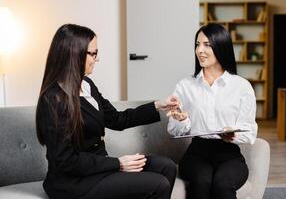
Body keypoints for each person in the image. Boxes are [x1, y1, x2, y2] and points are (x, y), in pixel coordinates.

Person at [36, 24, 179, 199]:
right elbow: (65, 161)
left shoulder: (87, 85)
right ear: (75, 53)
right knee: (158, 184)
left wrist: (158, 105)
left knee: (167, 167)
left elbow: (118, 119)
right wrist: (117, 163)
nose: (97, 59)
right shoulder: (54, 98)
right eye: (93, 53)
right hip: (72, 183)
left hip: (98, 169)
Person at [167, 23, 258, 199]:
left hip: (229, 154)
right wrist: (181, 120)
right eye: (197, 44)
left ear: (221, 46)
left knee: (222, 185)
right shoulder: (185, 86)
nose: (200, 50)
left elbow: (250, 132)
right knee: (201, 182)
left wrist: (233, 135)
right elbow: (172, 130)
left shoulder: (241, 87)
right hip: (197, 153)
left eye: (207, 45)